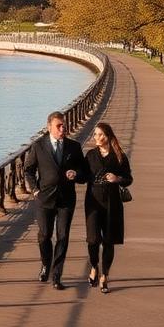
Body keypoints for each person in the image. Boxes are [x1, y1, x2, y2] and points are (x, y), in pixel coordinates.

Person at [23, 110, 86, 289]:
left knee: (63, 236)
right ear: (49, 127)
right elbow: (28, 170)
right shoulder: (39, 146)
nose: (62, 128)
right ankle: (45, 264)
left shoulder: (73, 147)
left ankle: (57, 275)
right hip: (44, 198)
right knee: (44, 235)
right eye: (58, 126)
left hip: (66, 199)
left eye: (63, 125)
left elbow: (84, 172)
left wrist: (76, 174)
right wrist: (34, 190)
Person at [83, 121, 132, 294]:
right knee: (93, 239)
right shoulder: (90, 155)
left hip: (112, 202)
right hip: (93, 201)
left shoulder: (119, 156)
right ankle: (94, 266)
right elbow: (83, 175)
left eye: (101, 134)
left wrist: (117, 179)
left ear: (108, 136)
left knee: (109, 241)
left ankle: (105, 276)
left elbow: (128, 178)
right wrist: (72, 174)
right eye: (95, 134)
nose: (97, 137)